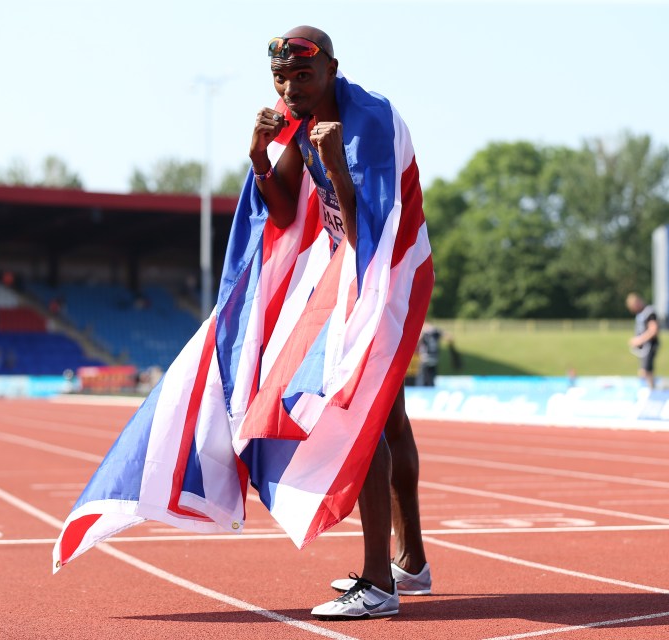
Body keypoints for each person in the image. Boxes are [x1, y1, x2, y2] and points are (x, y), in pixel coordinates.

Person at [250, 25, 430, 619]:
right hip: (352, 271)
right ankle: (412, 563)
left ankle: (378, 585)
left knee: (363, 417)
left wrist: (333, 163)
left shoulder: (368, 121)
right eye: (281, 77)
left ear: (331, 69)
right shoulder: (298, 121)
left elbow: (368, 234)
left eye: (302, 75)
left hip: (389, 272)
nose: (290, 87)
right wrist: (259, 154)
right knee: (391, 417)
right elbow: (279, 208)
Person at [626, 292, 659, 388]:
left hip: (649, 345)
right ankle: (651, 389)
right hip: (644, 346)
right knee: (647, 371)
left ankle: (651, 391)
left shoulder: (649, 312)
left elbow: (653, 330)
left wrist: (639, 340)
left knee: (644, 371)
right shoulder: (640, 314)